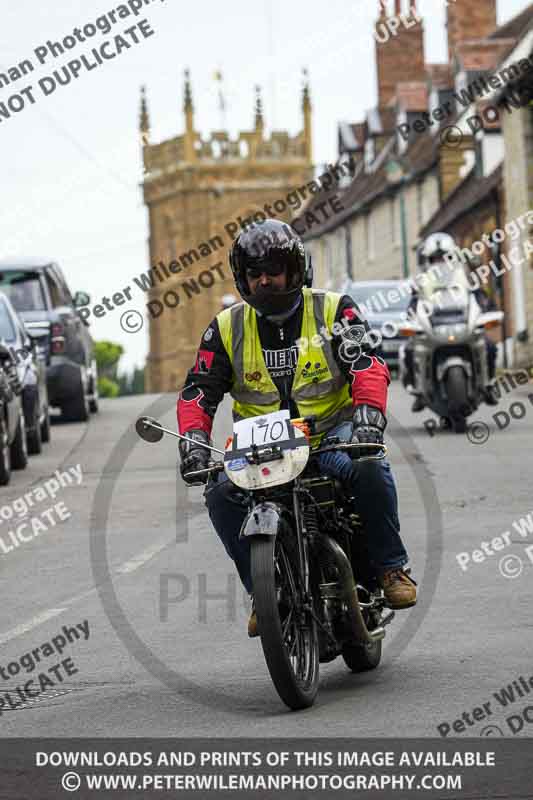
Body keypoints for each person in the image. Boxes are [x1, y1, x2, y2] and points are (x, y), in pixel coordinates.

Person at [177, 219, 416, 637]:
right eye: (255, 273)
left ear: (296, 269)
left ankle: (390, 569)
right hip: (260, 453)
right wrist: (195, 442)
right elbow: (198, 392)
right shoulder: (227, 327)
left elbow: (367, 364)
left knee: (370, 466)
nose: (265, 280)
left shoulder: (333, 309)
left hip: (333, 438)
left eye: (274, 270)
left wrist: (369, 417)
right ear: (243, 279)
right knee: (218, 493)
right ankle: (263, 594)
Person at [403, 232, 498, 410]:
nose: (441, 262)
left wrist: (487, 308)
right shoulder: (422, 282)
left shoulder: (464, 278)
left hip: (461, 324)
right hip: (434, 328)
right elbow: (414, 304)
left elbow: (478, 296)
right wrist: (410, 316)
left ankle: (489, 385)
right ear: (428, 260)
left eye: (445, 257)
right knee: (409, 350)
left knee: (489, 346)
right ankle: (418, 391)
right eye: (436, 258)